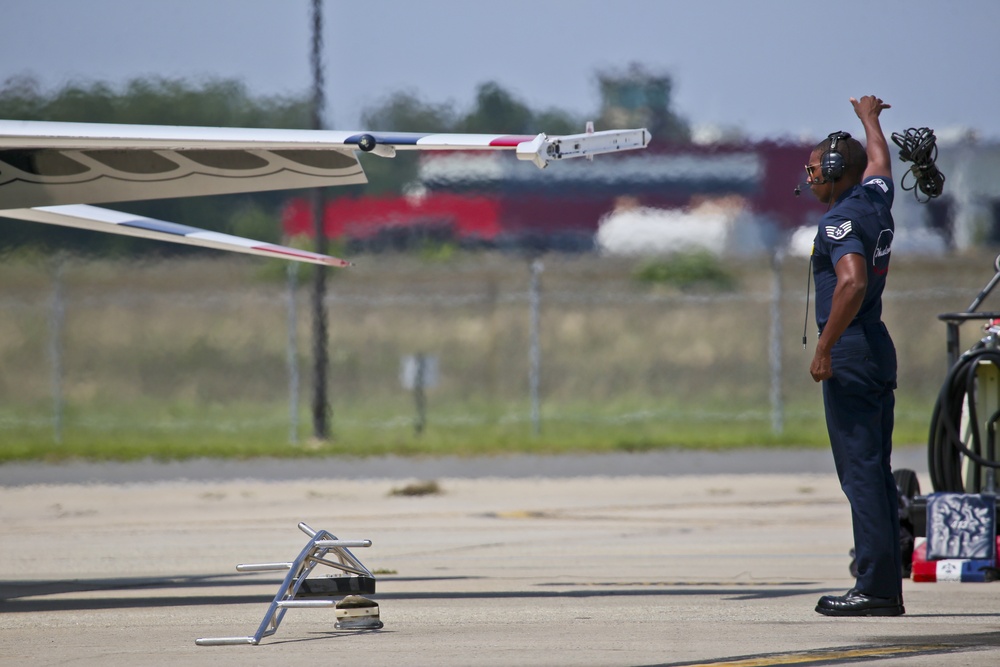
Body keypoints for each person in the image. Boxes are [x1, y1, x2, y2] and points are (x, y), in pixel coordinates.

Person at [805, 95, 904, 616]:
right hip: (875, 346)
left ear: (838, 171)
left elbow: (852, 281)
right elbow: (882, 164)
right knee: (876, 470)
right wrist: (869, 120)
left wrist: (824, 350)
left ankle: (875, 589)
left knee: (861, 473)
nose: (810, 176)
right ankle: (885, 583)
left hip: (850, 349)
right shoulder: (875, 198)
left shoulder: (839, 221)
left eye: (816, 168)